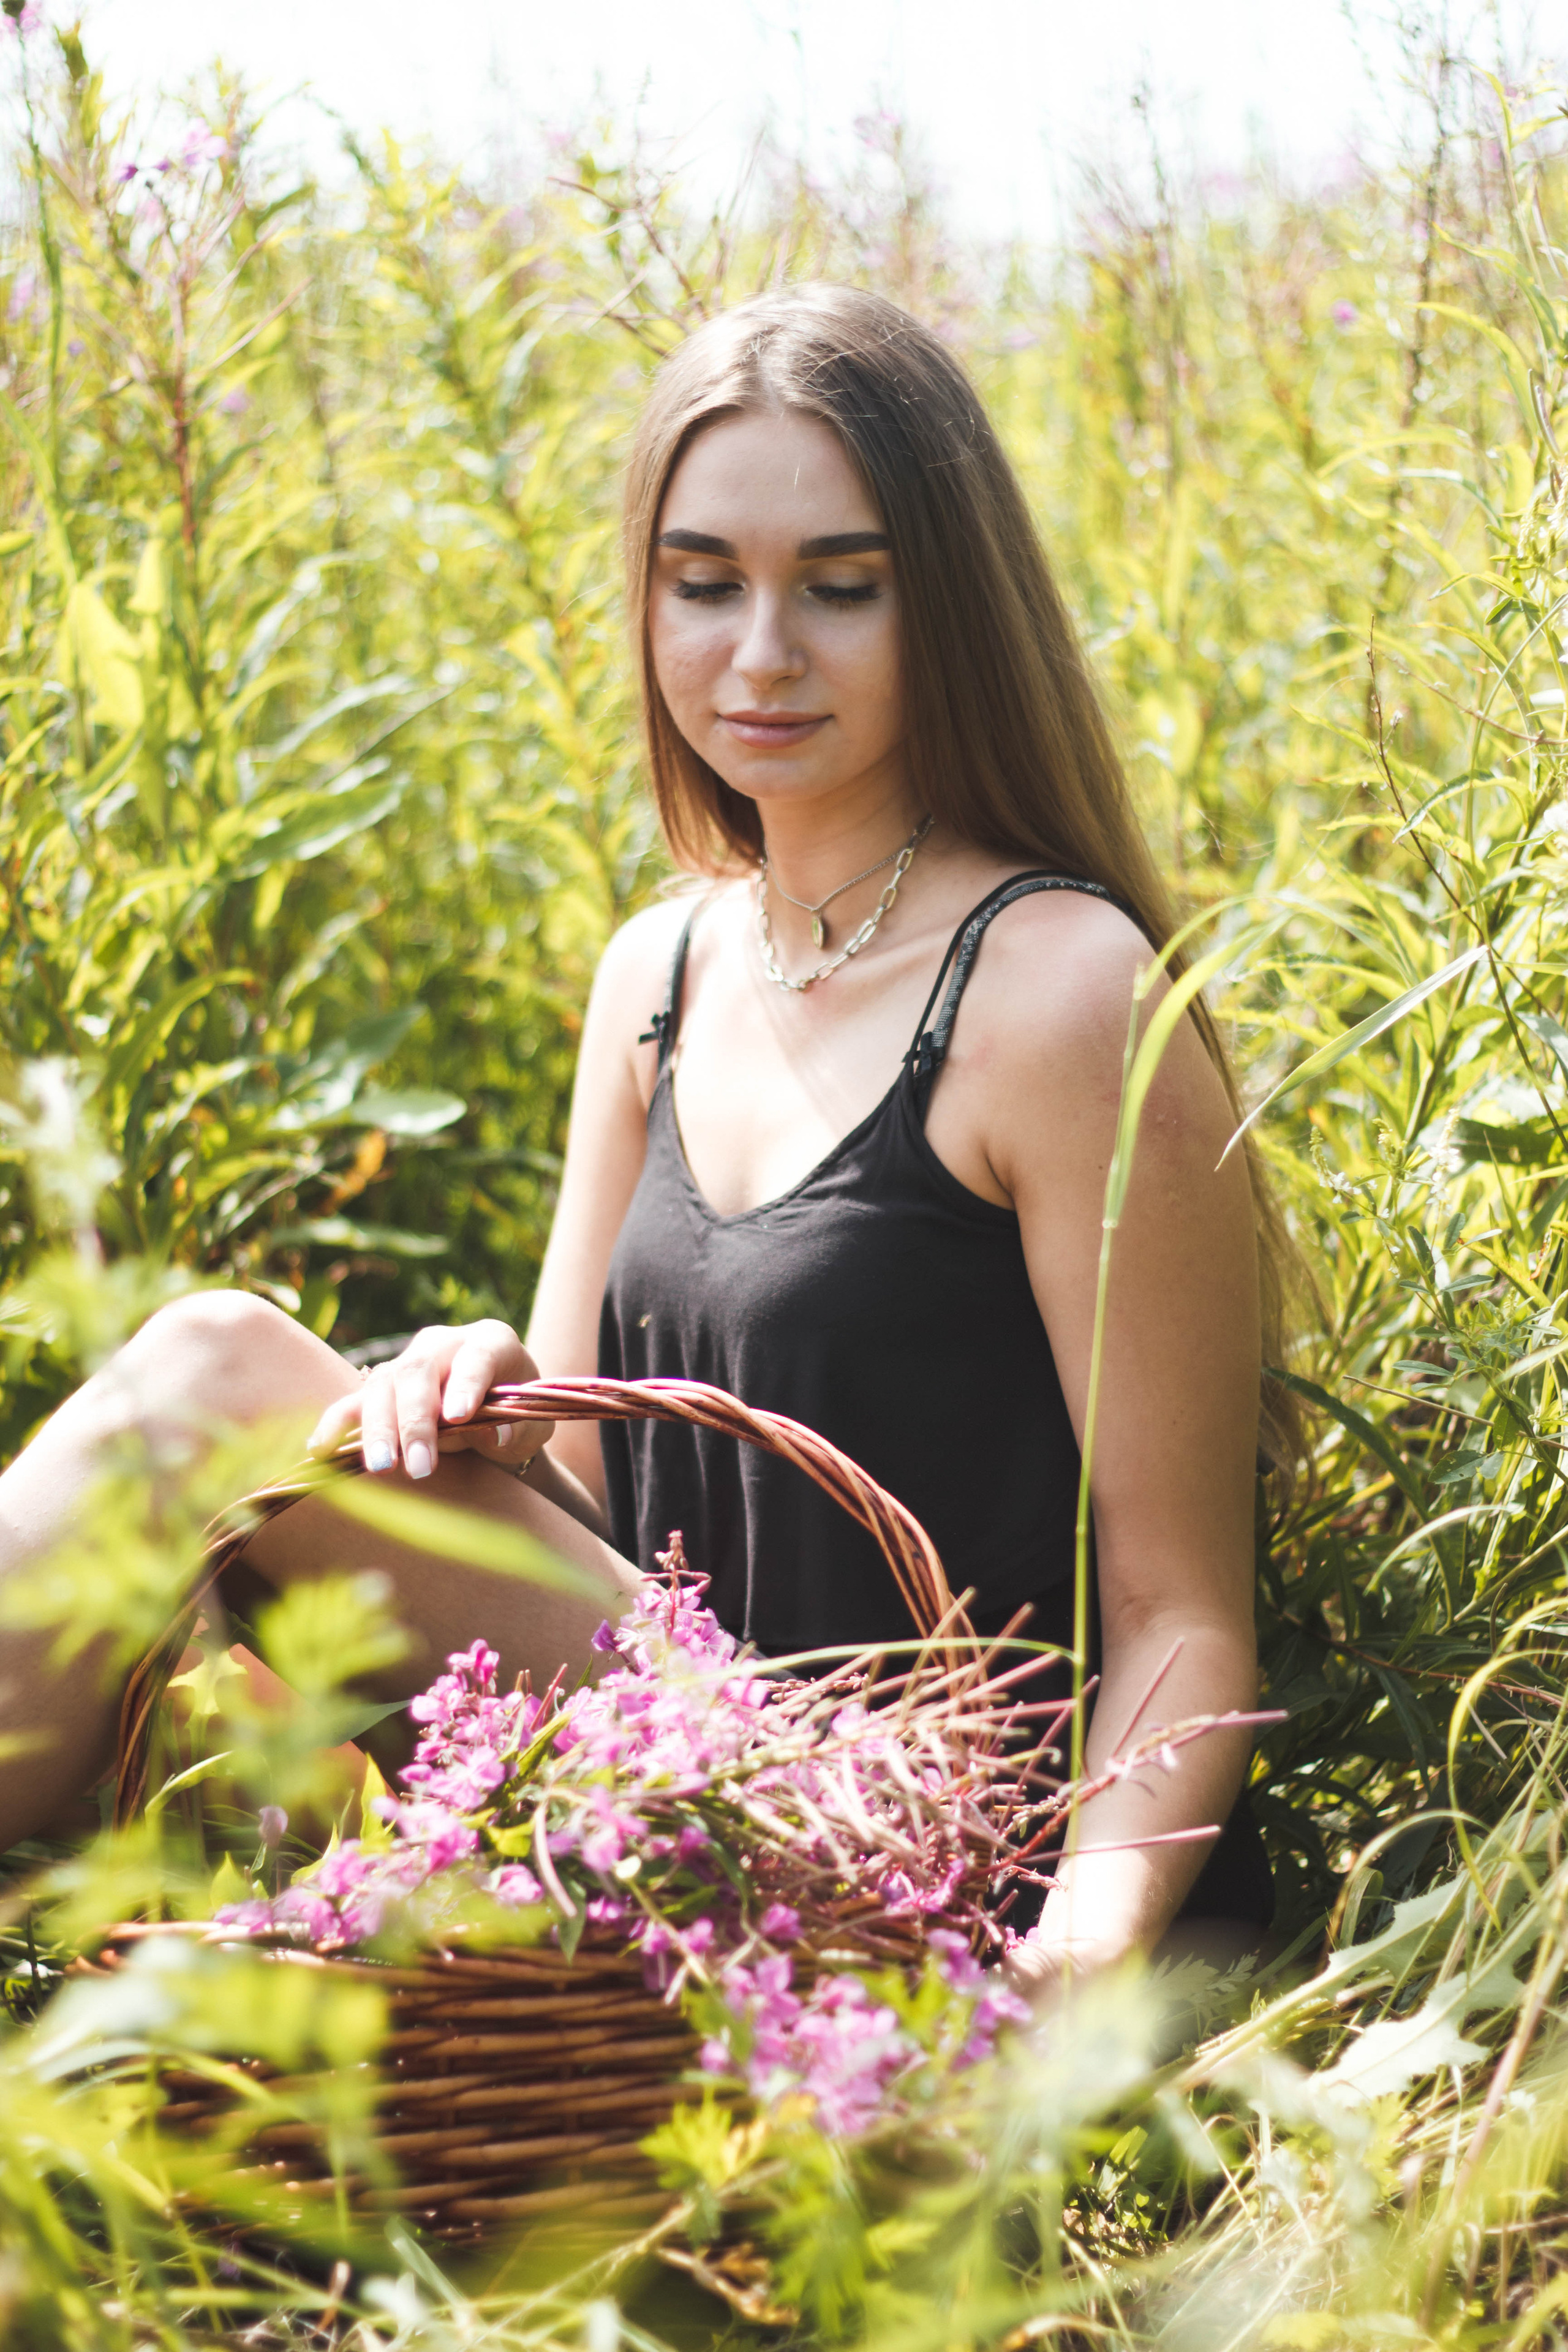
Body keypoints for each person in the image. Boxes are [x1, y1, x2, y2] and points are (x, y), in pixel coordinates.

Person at [0, 285, 1290, 1991]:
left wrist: (1075, 1962)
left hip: (921, 1839)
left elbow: (1182, 1610)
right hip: (665, 1789)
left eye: (841, 588)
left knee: (210, 1373)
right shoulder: (661, 975)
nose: (762, 653)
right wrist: (483, 1394)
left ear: (952, 607)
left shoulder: (1063, 992)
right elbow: (597, 1487)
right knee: (231, 1389)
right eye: (705, 584)